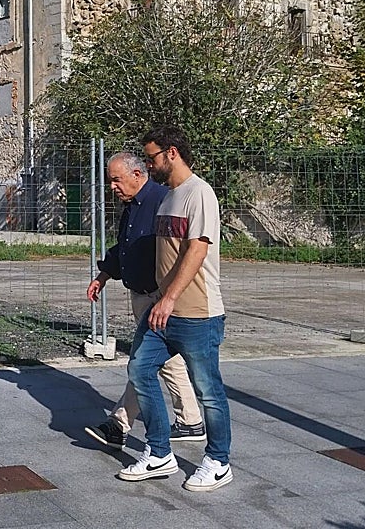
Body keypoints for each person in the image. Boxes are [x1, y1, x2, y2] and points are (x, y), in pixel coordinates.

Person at [117, 125, 233, 492]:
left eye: (151, 157)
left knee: (208, 390)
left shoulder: (200, 193)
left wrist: (168, 298)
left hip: (197, 313)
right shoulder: (168, 197)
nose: (149, 166)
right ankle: (159, 453)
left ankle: (218, 461)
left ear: (171, 153)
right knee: (140, 370)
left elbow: (197, 250)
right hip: (162, 311)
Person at [84, 152, 205, 449]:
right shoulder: (133, 205)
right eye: (110, 180)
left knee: (143, 363)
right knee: (165, 362)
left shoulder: (162, 202)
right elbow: (127, 246)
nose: (112, 186)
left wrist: (169, 297)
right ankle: (190, 421)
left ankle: (119, 424)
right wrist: (105, 275)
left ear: (137, 174)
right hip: (143, 295)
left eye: (116, 179)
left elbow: (183, 251)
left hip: (158, 298)